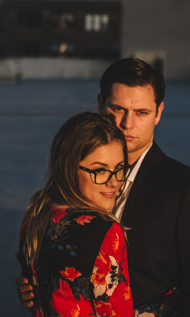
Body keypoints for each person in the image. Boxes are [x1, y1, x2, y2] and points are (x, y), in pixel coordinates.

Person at [19, 58, 190, 316]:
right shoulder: (64, 186)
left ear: (158, 113)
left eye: (141, 112)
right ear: (100, 104)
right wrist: (35, 285)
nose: (127, 124)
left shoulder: (185, 188)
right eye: (117, 109)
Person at [18, 112, 134, 317]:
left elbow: (30, 284)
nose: (114, 182)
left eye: (119, 168)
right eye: (99, 171)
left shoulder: (36, 211)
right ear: (70, 169)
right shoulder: (106, 232)